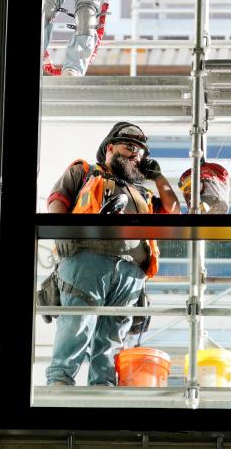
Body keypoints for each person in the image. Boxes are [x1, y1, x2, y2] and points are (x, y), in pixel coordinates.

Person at [43, 121, 179, 385]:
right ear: (109, 147)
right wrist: (65, 238)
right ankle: (60, 383)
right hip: (87, 259)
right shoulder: (85, 171)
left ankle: (102, 388)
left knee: (112, 335)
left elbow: (174, 213)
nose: (136, 154)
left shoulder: (145, 194)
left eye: (141, 151)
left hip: (131, 272)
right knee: (77, 325)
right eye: (129, 146)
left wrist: (158, 177)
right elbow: (57, 201)